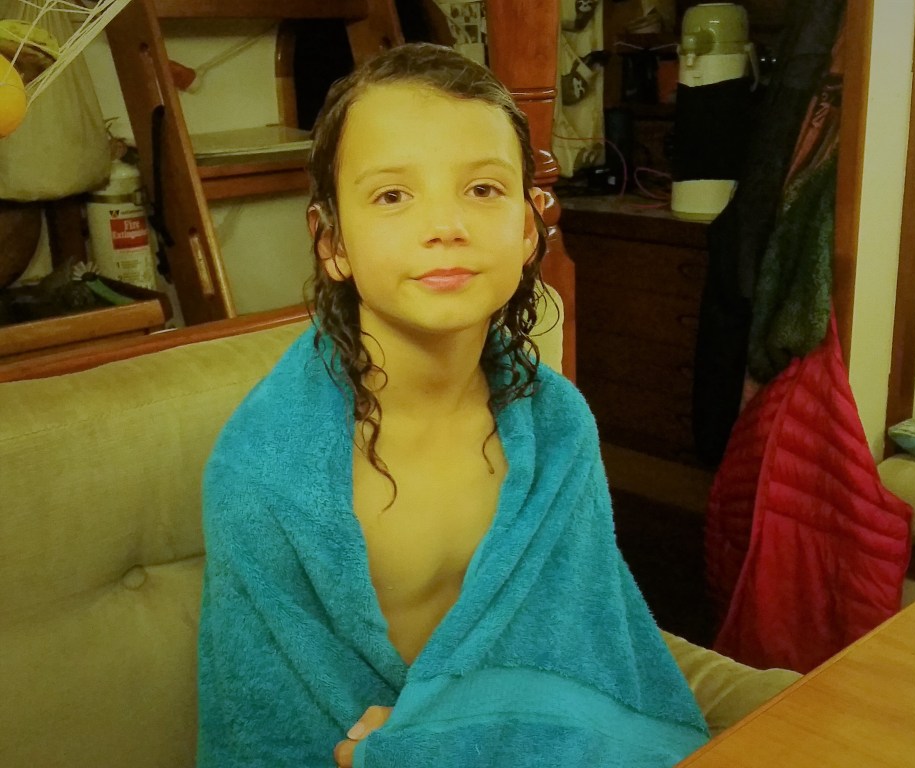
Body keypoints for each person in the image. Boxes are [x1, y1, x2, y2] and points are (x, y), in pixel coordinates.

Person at [197, 42, 709, 768]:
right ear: (332, 242)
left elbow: (588, 652)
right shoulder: (262, 474)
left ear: (528, 229)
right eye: (392, 195)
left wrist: (446, 735)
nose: (446, 225)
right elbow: (266, 725)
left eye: (483, 189)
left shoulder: (558, 429)